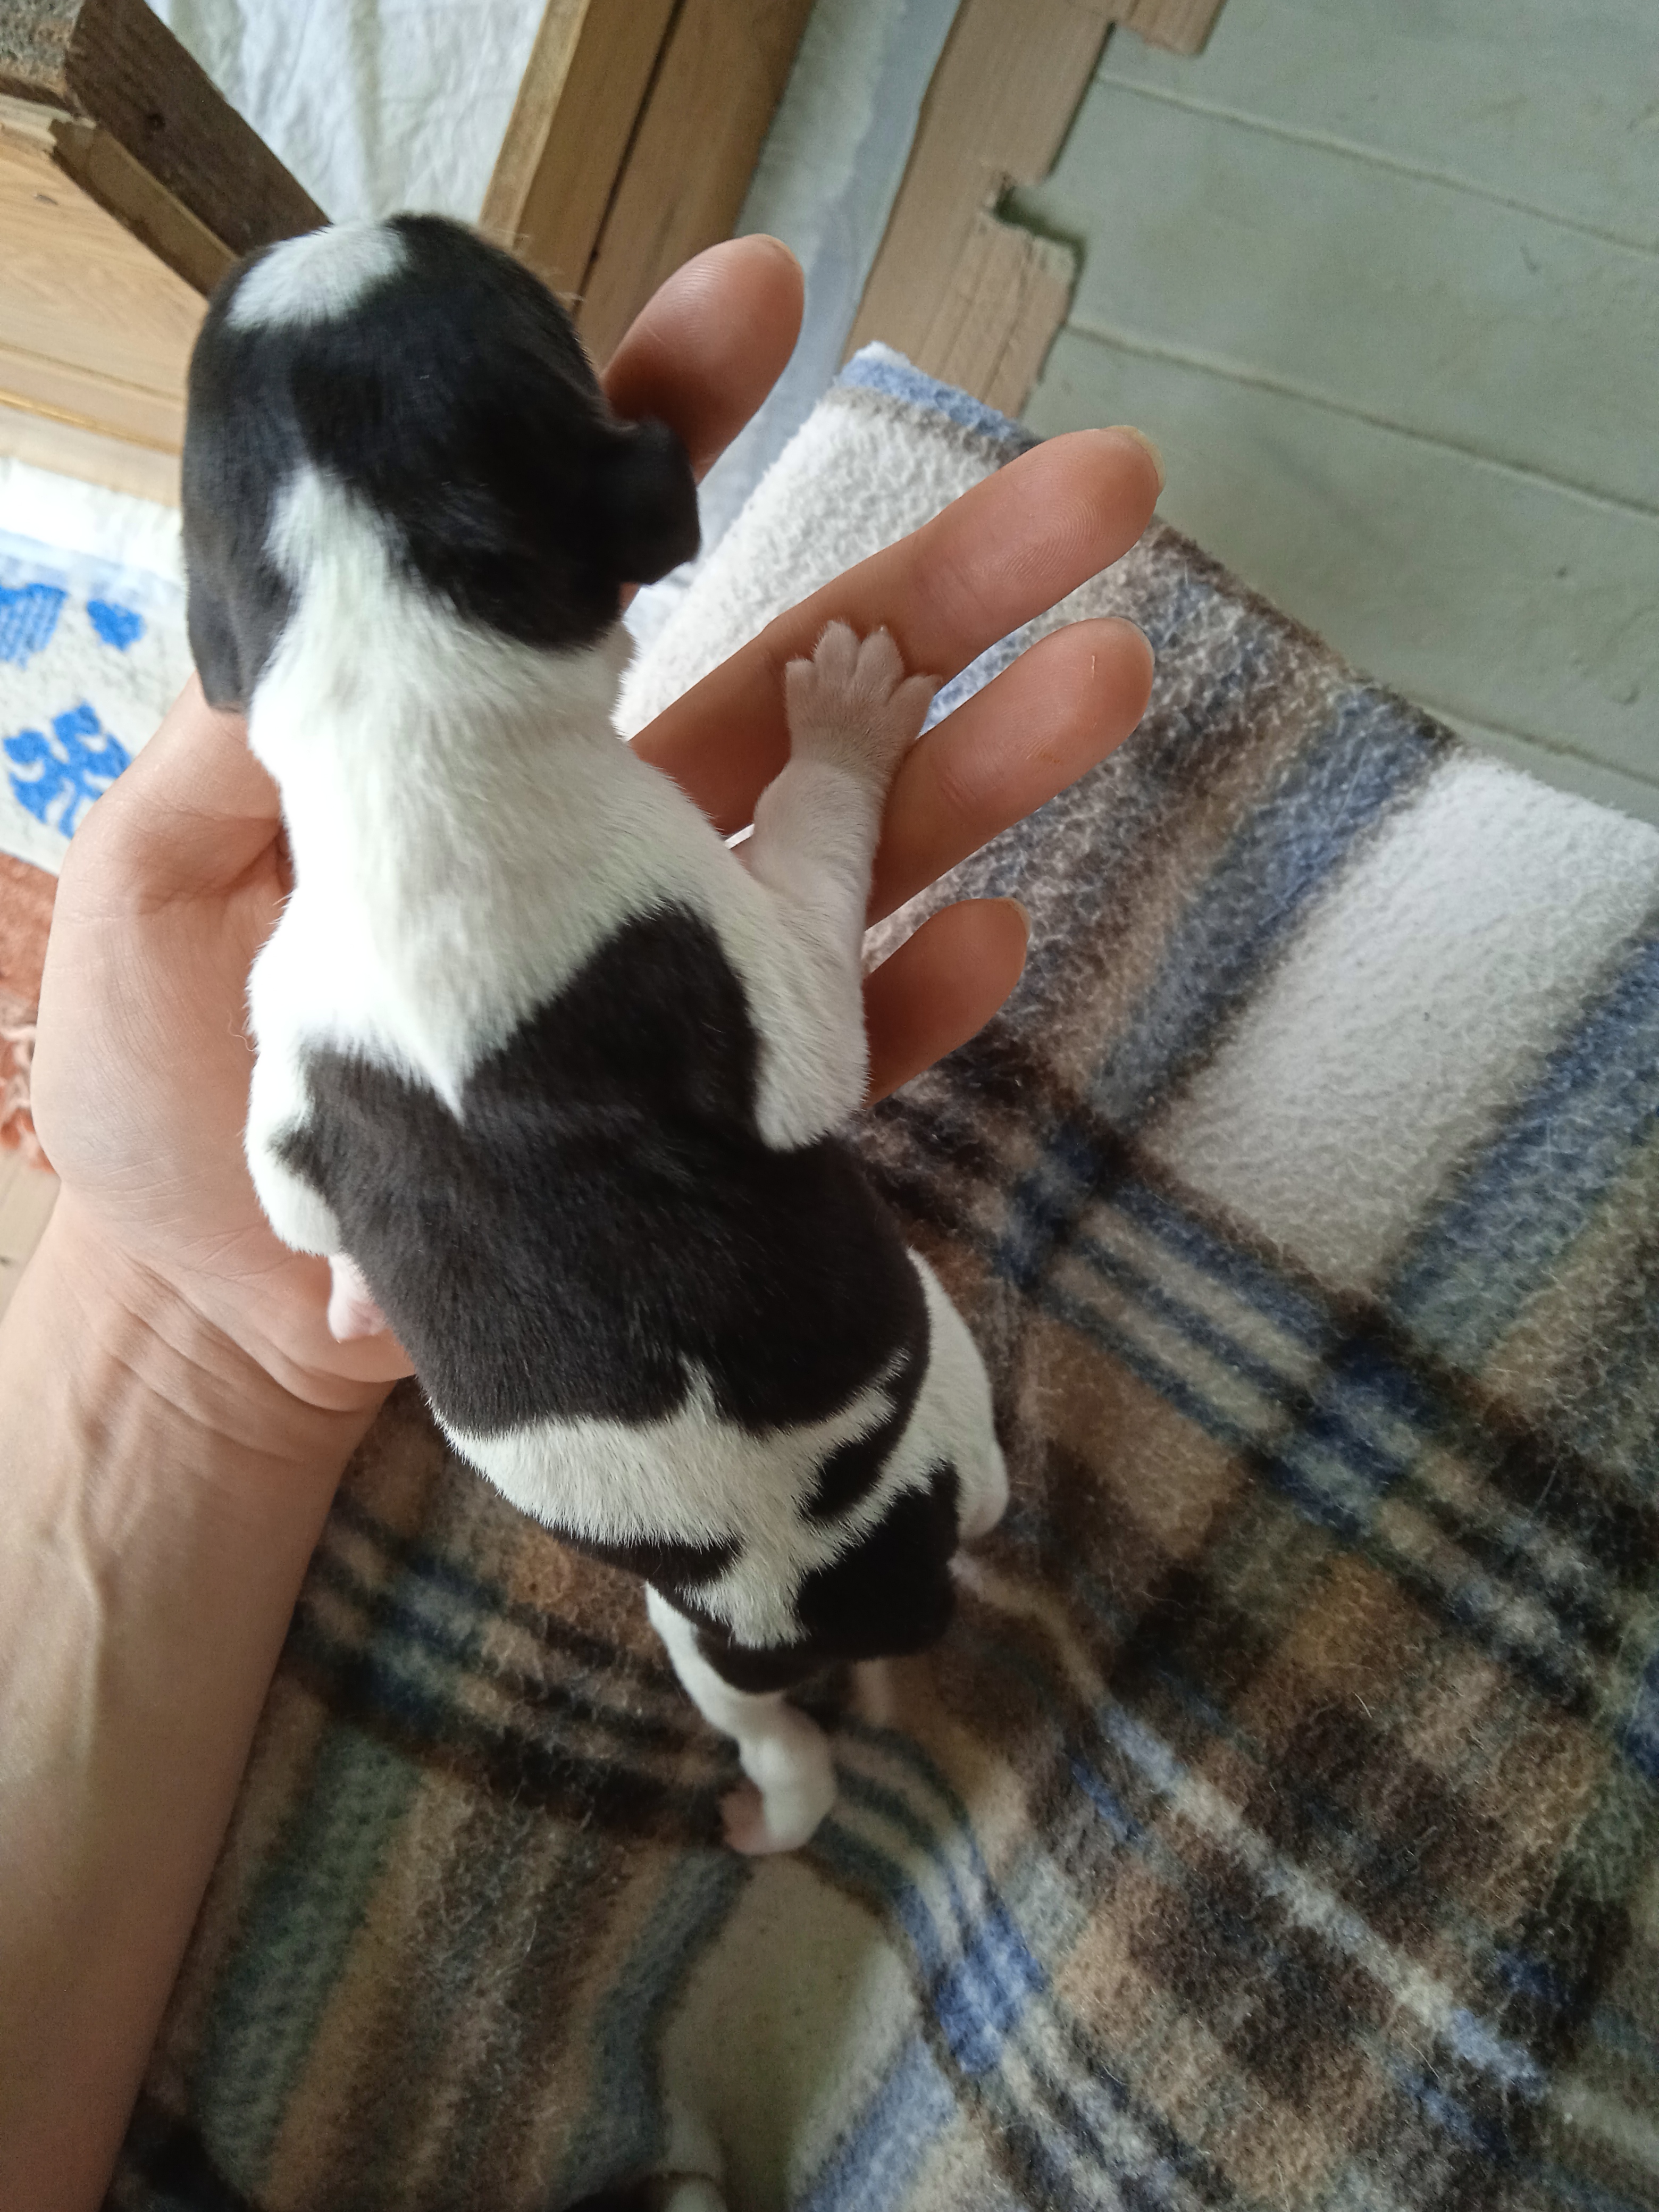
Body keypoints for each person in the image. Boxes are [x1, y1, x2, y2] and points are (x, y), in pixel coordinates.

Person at [0, 234, 1159, 2210]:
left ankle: (783, 1766)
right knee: (917, 1438)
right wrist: (839, 767)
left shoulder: (306, 1000)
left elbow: (290, 1177)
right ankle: (961, 1508)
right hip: (891, 1414)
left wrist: (349, 1274)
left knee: (739, 1646)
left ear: (229, 658)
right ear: (630, 535)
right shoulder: (624, 869)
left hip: (698, 1569)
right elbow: (809, 1060)